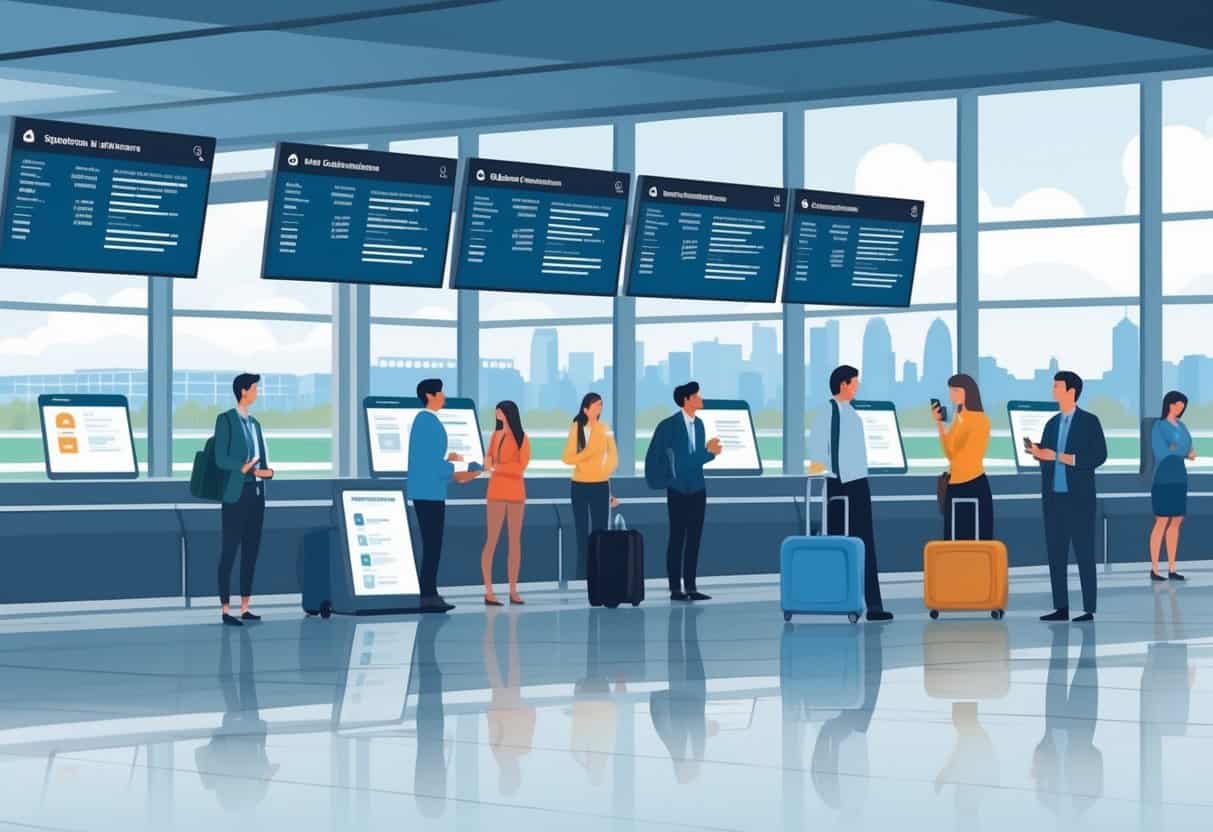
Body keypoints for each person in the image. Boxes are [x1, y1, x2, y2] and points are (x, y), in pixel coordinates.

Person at [806, 365, 893, 622]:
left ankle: (873, 604)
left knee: (865, 545)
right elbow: (818, 453)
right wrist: (824, 478)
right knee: (838, 544)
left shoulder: (851, 413)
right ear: (843, 384)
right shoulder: (827, 412)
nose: (857, 387)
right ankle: (837, 599)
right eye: (854, 383)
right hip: (838, 485)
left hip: (858, 484)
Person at [1026, 371, 1108, 623]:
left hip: (1080, 500)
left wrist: (1060, 457)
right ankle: (1060, 607)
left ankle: (1088, 608)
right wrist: (1038, 453)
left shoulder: (1089, 421)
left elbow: (1099, 456)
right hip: (1053, 499)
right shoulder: (1051, 423)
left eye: (1057, 386)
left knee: (1084, 553)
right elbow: (1048, 458)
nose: (1053, 391)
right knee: (1056, 555)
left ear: (1071, 391)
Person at [645, 382, 722, 602]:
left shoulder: (699, 425)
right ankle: (675, 588)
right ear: (687, 400)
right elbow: (682, 463)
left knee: (694, 539)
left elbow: (693, 460)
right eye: (697, 396)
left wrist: (705, 452)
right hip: (678, 490)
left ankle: (691, 586)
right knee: (677, 538)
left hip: (698, 489)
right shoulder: (669, 426)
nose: (701, 399)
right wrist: (709, 454)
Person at [408, 378, 479, 613]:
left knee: (432, 544)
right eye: (440, 393)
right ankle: (428, 594)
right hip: (429, 492)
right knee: (432, 544)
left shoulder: (425, 421)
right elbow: (430, 464)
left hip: (429, 490)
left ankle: (428, 592)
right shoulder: (426, 421)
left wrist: (449, 462)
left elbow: (429, 459)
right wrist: (461, 468)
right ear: (430, 395)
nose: (444, 397)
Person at [195, 628, 279, 810]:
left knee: (241, 682)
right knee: (238, 682)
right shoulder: (250, 797)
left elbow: (265, 769)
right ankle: (236, 640)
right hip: (241, 733)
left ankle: (239, 640)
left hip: (246, 732)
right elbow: (265, 769)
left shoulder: (251, 797)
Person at [214, 373, 273, 627]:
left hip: (257, 494)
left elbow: (262, 459)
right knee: (229, 550)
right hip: (235, 494)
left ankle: (245, 606)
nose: (257, 392)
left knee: (251, 550)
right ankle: (226, 609)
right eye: (254, 388)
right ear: (243, 391)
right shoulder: (225, 420)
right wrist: (245, 469)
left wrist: (266, 472)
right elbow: (220, 459)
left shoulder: (256, 424)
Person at [649, 606, 717, 783]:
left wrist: (657, 699)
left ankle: (676, 620)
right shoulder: (697, 753)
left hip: (679, 694)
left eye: (683, 773)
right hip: (696, 695)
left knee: (676, 653)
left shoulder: (674, 746)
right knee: (693, 652)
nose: (687, 770)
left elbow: (660, 721)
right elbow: (699, 728)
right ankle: (690, 621)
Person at [562, 393, 619, 582]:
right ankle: (582, 575)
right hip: (579, 485)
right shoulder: (576, 428)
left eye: (601, 405)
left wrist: (602, 472)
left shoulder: (605, 429)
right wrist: (587, 454)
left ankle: (600, 572)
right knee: (581, 531)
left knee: (600, 530)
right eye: (595, 405)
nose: (599, 408)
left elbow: (613, 456)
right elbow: (567, 458)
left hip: (600, 485)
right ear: (585, 409)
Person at [481, 400, 532, 606]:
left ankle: (513, 590)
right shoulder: (495, 436)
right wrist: (492, 465)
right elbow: (489, 459)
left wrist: (497, 467)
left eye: (500, 412)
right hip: (496, 493)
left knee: (514, 542)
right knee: (491, 541)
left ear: (509, 414)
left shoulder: (522, 438)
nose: (497, 415)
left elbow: (520, 467)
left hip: (516, 495)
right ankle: (489, 591)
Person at [932, 373, 994, 540]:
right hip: (955, 485)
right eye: (951, 390)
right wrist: (939, 424)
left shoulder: (981, 420)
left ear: (969, 392)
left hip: (973, 483)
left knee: (975, 539)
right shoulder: (959, 419)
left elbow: (965, 457)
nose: (952, 395)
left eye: (956, 390)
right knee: (953, 539)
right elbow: (949, 454)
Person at [484, 607, 535, 796]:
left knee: (508, 662)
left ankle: (503, 623)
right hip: (503, 706)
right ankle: (495, 623)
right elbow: (495, 731)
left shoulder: (520, 751)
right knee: (497, 663)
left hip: (509, 705)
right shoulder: (504, 754)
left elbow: (529, 725)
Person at [1149, 390, 1196, 582]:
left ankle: (1171, 567)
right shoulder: (1158, 426)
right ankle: (1154, 569)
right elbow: (1162, 452)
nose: (1181, 408)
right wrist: (1181, 451)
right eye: (1178, 404)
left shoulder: (1182, 426)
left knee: (1176, 521)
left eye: (1183, 405)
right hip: (1163, 477)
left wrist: (1177, 449)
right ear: (1170, 404)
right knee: (1161, 520)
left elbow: (1189, 447)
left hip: (1179, 477)